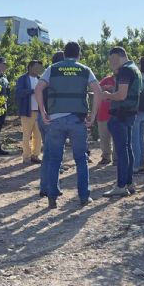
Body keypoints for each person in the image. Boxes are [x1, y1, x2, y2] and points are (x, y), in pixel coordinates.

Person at [34, 41, 103, 209]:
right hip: (77, 120)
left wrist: (43, 112)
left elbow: (38, 88)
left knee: (54, 160)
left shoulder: (53, 68)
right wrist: (93, 116)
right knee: (81, 159)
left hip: (55, 120)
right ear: (78, 54)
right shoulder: (85, 69)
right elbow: (98, 91)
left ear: (64, 54)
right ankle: (84, 196)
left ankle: (52, 197)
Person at [102, 47, 142, 197]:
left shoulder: (124, 71)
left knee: (121, 151)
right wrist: (114, 89)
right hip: (130, 114)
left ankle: (120, 186)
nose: (111, 63)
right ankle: (129, 183)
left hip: (120, 115)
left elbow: (121, 96)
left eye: (112, 59)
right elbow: (128, 90)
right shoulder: (134, 69)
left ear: (119, 56)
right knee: (128, 149)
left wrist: (107, 95)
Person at [38, 51, 65, 198]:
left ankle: (46, 186)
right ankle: (49, 187)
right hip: (51, 118)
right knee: (52, 155)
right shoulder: (58, 76)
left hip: (43, 117)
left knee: (48, 153)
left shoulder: (47, 74)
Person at [15, 60, 44, 164]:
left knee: (38, 135)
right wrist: (32, 91)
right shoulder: (22, 79)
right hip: (27, 111)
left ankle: (35, 155)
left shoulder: (40, 79)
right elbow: (19, 93)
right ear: (30, 67)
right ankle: (26, 157)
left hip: (39, 111)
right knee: (27, 135)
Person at [97, 71, 117, 165]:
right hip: (103, 113)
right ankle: (106, 156)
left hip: (116, 113)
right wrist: (104, 88)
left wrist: (113, 90)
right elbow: (96, 91)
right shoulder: (106, 80)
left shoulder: (123, 81)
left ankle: (116, 158)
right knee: (104, 137)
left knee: (117, 137)